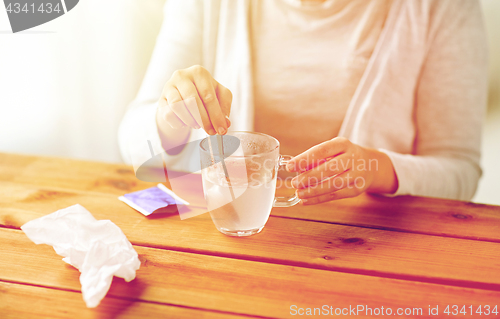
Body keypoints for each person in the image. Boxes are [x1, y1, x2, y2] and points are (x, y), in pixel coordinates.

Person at [118, 0, 488, 204]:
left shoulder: (443, 8)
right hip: (238, 241)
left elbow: (460, 172)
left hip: (373, 245)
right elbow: (134, 145)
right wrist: (170, 120)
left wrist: (376, 169)